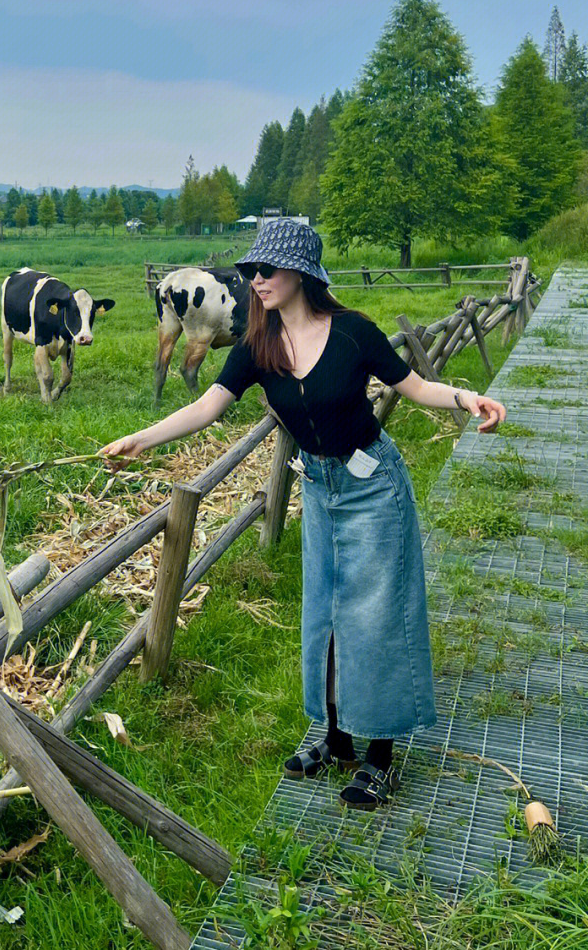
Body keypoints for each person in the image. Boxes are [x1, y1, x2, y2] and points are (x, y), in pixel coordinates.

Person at [101, 221, 506, 810]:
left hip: (373, 486)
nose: (256, 281)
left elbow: (415, 387)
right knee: (325, 615)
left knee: (375, 617)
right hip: (319, 487)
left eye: (267, 270)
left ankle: (381, 757)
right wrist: (141, 438)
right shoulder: (257, 347)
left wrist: (467, 398)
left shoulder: (353, 334)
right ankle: (337, 737)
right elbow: (210, 406)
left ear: (302, 274)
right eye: (251, 272)